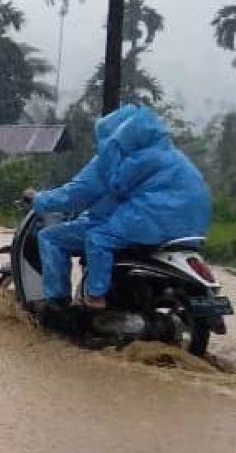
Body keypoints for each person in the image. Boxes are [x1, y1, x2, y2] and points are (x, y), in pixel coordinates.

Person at [27, 103, 211, 309]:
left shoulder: (118, 160)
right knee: (104, 233)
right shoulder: (171, 155)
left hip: (153, 219)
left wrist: (38, 200)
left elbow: (76, 194)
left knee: (84, 238)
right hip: (191, 227)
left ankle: (78, 300)